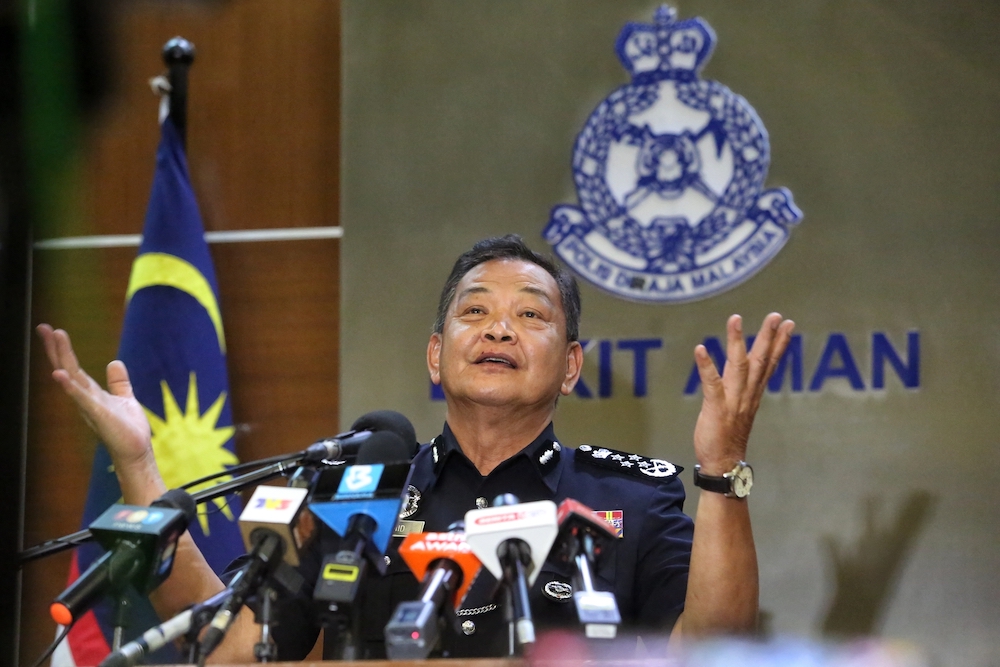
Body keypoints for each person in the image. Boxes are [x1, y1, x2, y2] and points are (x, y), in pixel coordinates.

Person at [38, 234, 794, 661]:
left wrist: (721, 472)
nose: (499, 329)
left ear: (570, 365)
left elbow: (710, 647)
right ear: (437, 355)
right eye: (476, 311)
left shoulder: (632, 496)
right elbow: (231, 637)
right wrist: (139, 465)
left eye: (531, 315)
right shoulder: (353, 493)